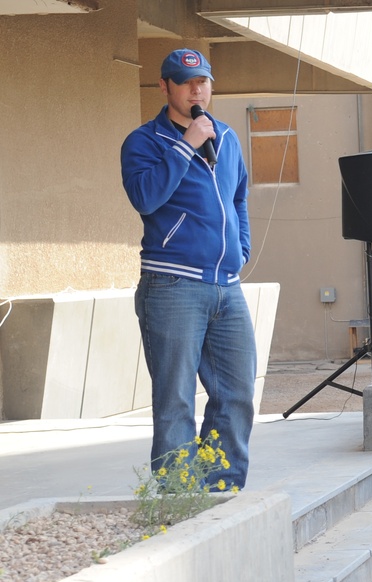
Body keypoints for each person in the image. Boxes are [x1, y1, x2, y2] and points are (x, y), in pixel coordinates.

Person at [121, 49, 256, 489]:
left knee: (236, 396)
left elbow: (238, 197)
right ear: (164, 87)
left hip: (227, 288)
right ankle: (179, 498)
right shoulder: (144, 141)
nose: (197, 89)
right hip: (172, 284)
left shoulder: (228, 138)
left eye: (203, 80)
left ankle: (222, 492)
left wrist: (241, 247)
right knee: (176, 400)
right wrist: (187, 145)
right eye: (185, 81)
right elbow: (146, 197)